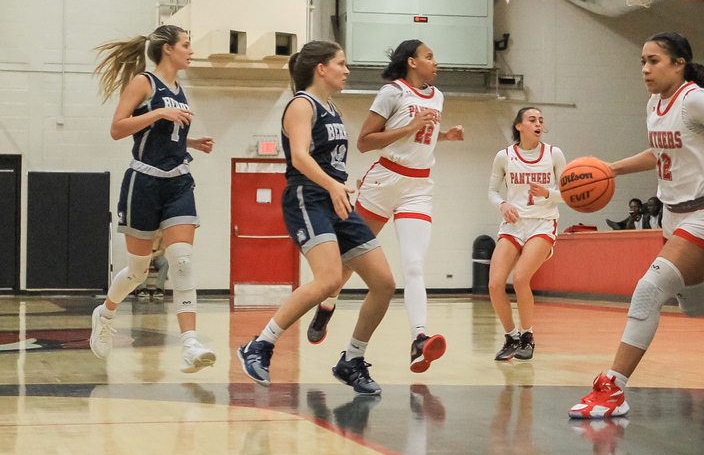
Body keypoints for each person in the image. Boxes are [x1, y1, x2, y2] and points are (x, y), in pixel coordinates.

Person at [569, 32, 704, 419]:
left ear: (679, 64)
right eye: (642, 60)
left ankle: (614, 388)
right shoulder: (656, 103)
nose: (645, 68)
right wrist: (613, 169)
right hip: (672, 215)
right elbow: (661, 152)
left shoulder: (697, 99)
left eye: (654, 60)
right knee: (696, 304)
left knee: (648, 290)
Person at [237, 41, 397, 395]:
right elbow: (298, 157)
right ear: (320, 69)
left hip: (336, 198)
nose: (347, 69)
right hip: (307, 197)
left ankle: (351, 360)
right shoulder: (301, 104)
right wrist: (331, 184)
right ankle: (259, 345)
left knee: (384, 283)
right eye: (341, 63)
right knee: (327, 280)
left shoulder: (331, 107)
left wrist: (340, 184)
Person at [306, 40, 463, 373]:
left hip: (418, 187)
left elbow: (421, 139)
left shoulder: (437, 95)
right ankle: (328, 303)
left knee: (414, 264)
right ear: (412, 62)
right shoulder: (392, 92)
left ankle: (419, 339)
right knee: (348, 261)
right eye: (429, 56)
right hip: (383, 182)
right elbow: (364, 142)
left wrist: (445, 136)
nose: (436, 62)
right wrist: (408, 127)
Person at [89, 24, 216, 372]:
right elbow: (118, 129)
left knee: (182, 260)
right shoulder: (144, 83)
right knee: (137, 271)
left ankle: (190, 345)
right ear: (167, 49)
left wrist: (191, 143)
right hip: (142, 182)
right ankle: (105, 314)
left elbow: (164, 136)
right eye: (186, 45)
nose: (191, 51)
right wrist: (158, 112)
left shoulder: (180, 88)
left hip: (177, 181)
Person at [488, 106, 565, 361]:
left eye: (541, 120)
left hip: (542, 223)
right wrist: (503, 204)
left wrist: (548, 194)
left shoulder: (554, 154)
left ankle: (528, 335)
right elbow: (492, 191)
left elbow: (567, 194)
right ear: (519, 126)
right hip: (513, 224)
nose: (538, 124)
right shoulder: (504, 156)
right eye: (532, 120)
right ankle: (511, 337)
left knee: (520, 278)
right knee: (495, 284)